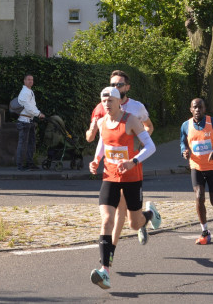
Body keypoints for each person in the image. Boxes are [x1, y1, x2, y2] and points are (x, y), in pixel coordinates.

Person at [88, 86, 161, 290]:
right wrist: (96, 160)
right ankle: (105, 271)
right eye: (103, 101)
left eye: (110, 100)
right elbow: (104, 142)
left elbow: (150, 147)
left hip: (131, 178)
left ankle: (149, 214)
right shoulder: (102, 122)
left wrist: (133, 161)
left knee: (135, 224)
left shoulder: (130, 120)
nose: (106, 104)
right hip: (109, 177)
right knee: (107, 220)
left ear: (119, 101)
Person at [85, 70, 155, 252]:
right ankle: (108, 257)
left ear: (126, 88)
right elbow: (98, 138)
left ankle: (142, 219)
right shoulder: (103, 107)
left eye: (119, 84)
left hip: (132, 166)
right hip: (112, 171)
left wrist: (137, 151)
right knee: (113, 215)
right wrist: (96, 158)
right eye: (112, 84)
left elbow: (149, 128)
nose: (115, 87)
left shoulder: (136, 108)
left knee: (128, 218)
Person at [180, 97, 213, 245]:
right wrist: (184, 151)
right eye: (194, 107)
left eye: (200, 107)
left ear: (204, 109)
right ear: (190, 110)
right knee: (199, 197)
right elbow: (183, 142)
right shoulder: (185, 125)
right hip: (196, 167)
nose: (197, 110)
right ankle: (205, 232)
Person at [15, 74, 45, 171]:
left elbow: (33, 106)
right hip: (24, 121)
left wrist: (38, 113)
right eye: (28, 79)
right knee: (23, 144)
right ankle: (20, 165)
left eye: (32, 80)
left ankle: (29, 163)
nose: (30, 81)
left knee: (31, 143)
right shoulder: (24, 92)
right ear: (24, 81)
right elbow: (28, 107)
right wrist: (38, 114)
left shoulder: (30, 92)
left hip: (29, 121)